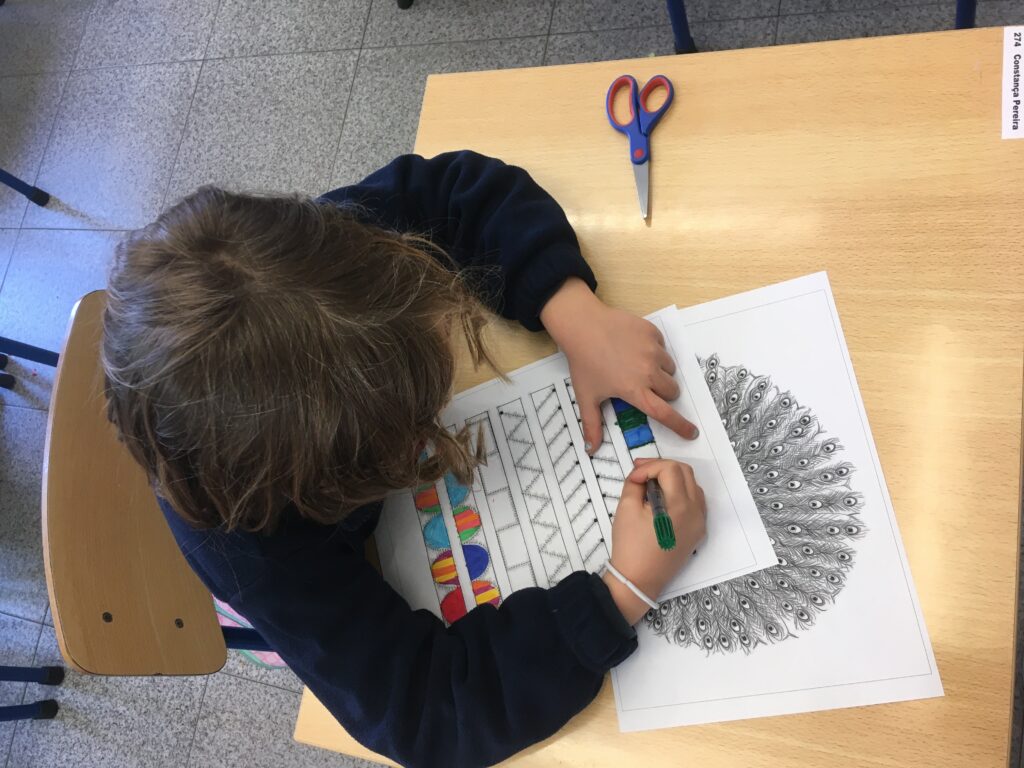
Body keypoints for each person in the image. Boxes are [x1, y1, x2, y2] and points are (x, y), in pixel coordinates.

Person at [102, 151, 707, 768]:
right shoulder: (257, 550)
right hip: (302, 604)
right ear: (335, 479)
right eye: (419, 416)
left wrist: (574, 313)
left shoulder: (312, 269)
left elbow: (458, 190)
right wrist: (623, 592)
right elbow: (425, 715)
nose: (443, 403)